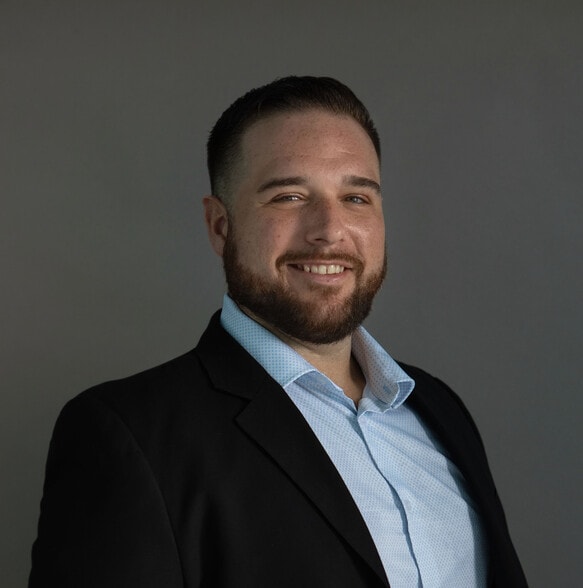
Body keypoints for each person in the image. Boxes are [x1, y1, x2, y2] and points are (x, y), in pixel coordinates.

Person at [29, 76, 527, 587]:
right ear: (220, 226)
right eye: (289, 196)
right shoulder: (130, 435)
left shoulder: (438, 408)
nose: (329, 230)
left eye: (356, 197)